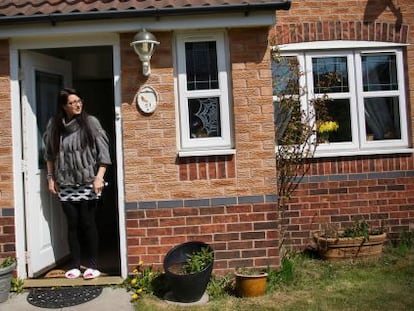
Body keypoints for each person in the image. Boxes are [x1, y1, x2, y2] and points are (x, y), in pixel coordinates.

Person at [43, 87, 111, 280]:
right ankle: (74, 265)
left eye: (79, 100)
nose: (77, 104)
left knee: (88, 223)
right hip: (65, 184)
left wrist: (99, 177)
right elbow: (49, 155)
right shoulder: (54, 126)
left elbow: (104, 154)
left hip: (89, 183)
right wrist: (50, 178)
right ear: (64, 106)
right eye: (72, 102)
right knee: (72, 225)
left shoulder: (91, 123)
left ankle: (93, 265)